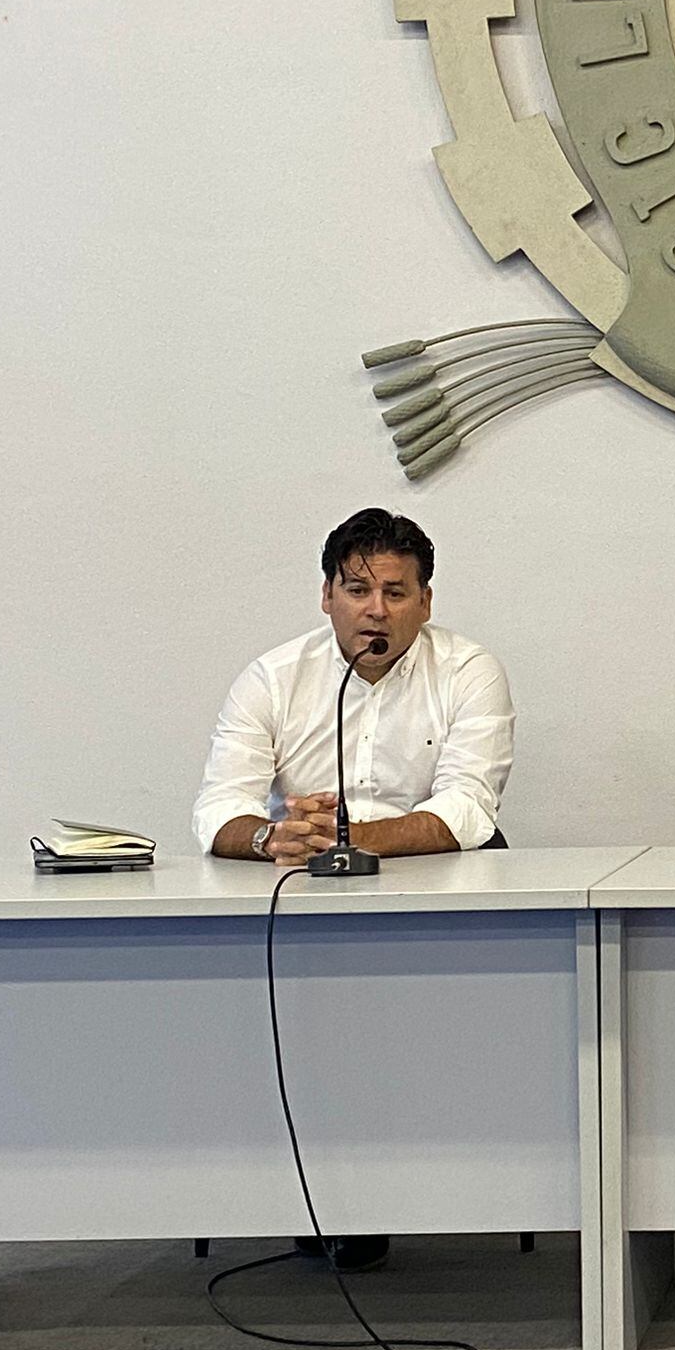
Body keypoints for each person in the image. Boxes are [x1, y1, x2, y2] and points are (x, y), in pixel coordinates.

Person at [192, 507, 516, 1271]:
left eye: (397, 593)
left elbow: (467, 808)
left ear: (426, 603)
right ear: (327, 595)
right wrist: (275, 837)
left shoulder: (469, 669)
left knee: (430, 1041)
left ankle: (460, 1182)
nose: (376, 611)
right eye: (358, 589)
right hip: (309, 895)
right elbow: (216, 811)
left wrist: (348, 840)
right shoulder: (274, 677)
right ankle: (328, 1193)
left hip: (438, 892)